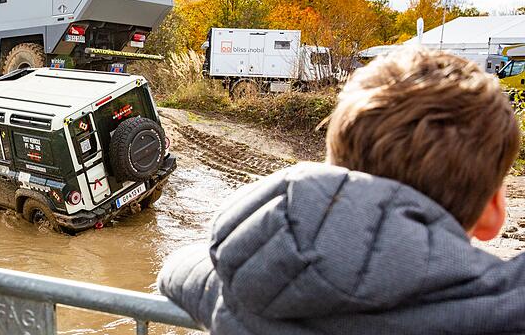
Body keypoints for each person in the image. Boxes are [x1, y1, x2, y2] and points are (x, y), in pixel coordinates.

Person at [157, 48, 524, 334]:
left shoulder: (250, 292)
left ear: (335, 170)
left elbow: (180, 271)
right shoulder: (503, 310)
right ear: (494, 210)